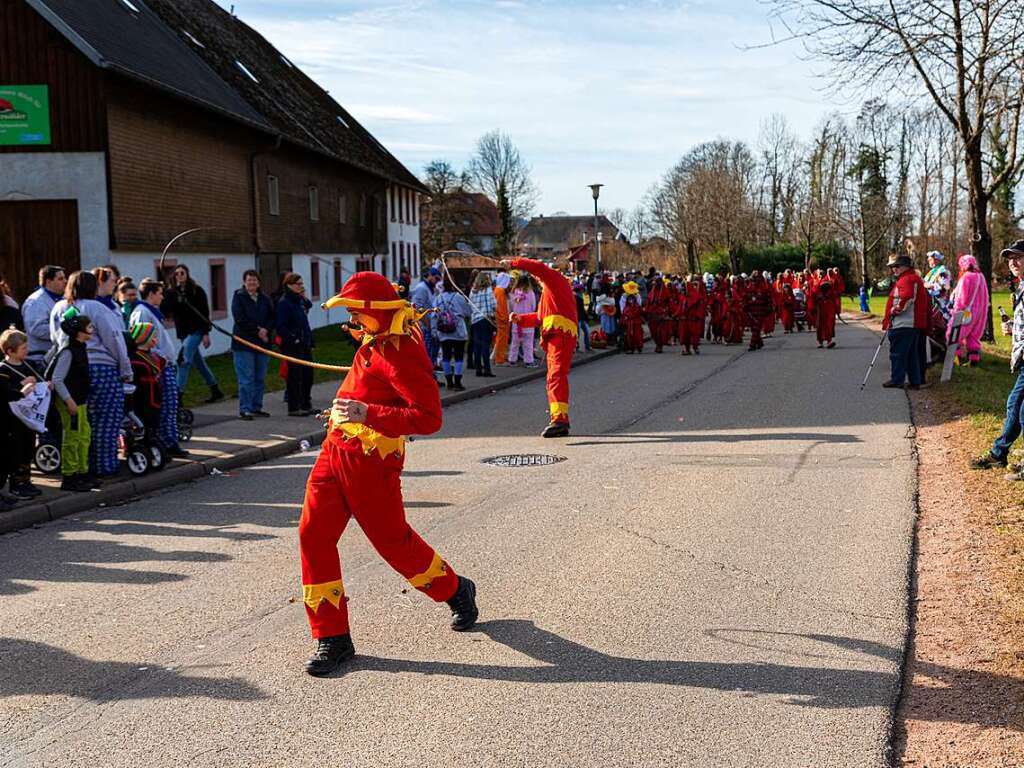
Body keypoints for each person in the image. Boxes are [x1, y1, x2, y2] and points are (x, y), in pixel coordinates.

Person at [300, 272, 478, 676]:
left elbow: (429, 417)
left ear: (375, 312)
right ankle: (332, 637)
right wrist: (345, 408)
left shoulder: (403, 349)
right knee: (313, 535)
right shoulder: (377, 336)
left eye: (356, 313)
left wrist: (368, 413)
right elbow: (368, 387)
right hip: (335, 451)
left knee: (394, 544)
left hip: (372, 463)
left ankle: (455, 589)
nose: (353, 321)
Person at [50, 271, 132, 479]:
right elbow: (114, 339)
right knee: (107, 420)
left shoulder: (61, 308)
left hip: (73, 369)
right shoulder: (97, 308)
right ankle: (106, 466)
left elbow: (57, 340)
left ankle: (84, 466)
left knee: (84, 423)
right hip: (102, 368)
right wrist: (125, 369)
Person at [504, 255, 578, 438]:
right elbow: (540, 318)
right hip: (557, 335)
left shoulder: (555, 280)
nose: (537, 279)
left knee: (556, 376)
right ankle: (558, 417)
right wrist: (520, 319)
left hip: (560, 335)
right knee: (554, 377)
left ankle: (560, 420)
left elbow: (539, 268)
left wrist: (514, 262)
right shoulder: (551, 292)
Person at [971, 241, 1024, 475]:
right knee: (1017, 407)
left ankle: (998, 454)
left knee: (1018, 408)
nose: (1012, 262)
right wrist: (1013, 327)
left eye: (1018, 257)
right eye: (1009, 258)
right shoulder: (1021, 287)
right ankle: (998, 454)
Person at [131, 280, 186, 458]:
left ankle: (170, 440)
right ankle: (165, 442)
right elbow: (140, 339)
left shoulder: (152, 312)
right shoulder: (141, 312)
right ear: (151, 293)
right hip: (157, 366)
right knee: (165, 407)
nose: (162, 297)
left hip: (164, 364)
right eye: (160, 293)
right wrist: (157, 360)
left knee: (171, 405)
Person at [162, 265, 223, 403]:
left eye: (182, 273)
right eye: (176, 273)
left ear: (187, 274)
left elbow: (204, 312)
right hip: (183, 331)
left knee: (183, 360)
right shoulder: (173, 293)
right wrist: (166, 292)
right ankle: (215, 389)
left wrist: (206, 333)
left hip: (197, 330)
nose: (179, 275)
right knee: (198, 362)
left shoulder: (197, 291)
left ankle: (178, 396)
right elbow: (166, 310)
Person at [48, 310, 94, 492]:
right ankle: (69, 476)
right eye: (89, 327)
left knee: (84, 436)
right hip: (71, 402)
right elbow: (58, 379)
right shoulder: (68, 351)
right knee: (72, 438)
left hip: (80, 400)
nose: (92, 329)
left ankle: (82, 473)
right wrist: (68, 401)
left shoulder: (80, 348)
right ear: (79, 332)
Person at [0, 329, 44, 500]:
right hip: (12, 419)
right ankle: (16, 483)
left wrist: (44, 385)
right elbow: (6, 392)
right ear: (10, 351)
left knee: (28, 446)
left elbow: (38, 380)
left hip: (29, 417)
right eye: (23, 348)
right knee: (15, 449)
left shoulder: (27, 365)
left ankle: (26, 480)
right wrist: (22, 386)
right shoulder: (4, 369)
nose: (27, 351)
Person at [881, 253, 930, 389]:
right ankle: (915, 381)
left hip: (904, 323)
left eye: (896, 266)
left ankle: (897, 380)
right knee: (910, 354)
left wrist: (894, 310)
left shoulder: (907, 279)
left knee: (898, 354)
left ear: (905, 266)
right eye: (892, 267)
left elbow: (907, 297)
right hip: (910, 324)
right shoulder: (910, 278)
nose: (893, 269)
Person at [231, 270, 275, 420]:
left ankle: (257, 407)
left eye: (254, 280)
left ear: (259, 282)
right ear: (244, 282)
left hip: (262, 344)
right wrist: (258, 331)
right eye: (249, 280)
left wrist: (266, 330)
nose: (252, 283)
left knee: (259, 378)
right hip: (244, 344)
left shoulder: (264, 298)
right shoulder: (239, 297)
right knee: (246, 378)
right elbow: (240, 319)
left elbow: (272, 317)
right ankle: (245, 408)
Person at [275, 272, 315, 416]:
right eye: (298, 284)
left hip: (304, 342)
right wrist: (294, 338)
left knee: (307, 375)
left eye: (301, 284)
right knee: (295, 376)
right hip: (292, 344)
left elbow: (307, 308)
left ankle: (306, 403)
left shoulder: (299, 300)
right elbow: (280, 326)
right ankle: (294, 407)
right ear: (289, 285)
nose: (301, 287)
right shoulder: (284, 303)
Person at [947, 254, 989, 366]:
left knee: (953, 334)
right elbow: (985, 297)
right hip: (980, 313)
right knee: (973, 337)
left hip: (966, 313)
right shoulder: (981, 276)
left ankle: (957, 358)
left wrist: (956, 311)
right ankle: (973, 360)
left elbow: (962, 298)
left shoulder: (967, 277)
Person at [433, 276, 473, 390]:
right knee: (459, 357)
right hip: (458, 331)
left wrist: (434, 330)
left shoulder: (438, 298)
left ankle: (449, 381)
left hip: (443, 332)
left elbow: (433, 316)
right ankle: (458, 381)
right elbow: (468, 312)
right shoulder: (458, 297)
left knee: (446, 356)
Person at [21, 265, 66, 364]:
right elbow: (36, 329)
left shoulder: (62, 299)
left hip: (57, 355)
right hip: (40, 358)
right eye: (60, 279)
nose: (65, 281)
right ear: (48, 282)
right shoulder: (36, 302)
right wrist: (63, 330)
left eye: (64, 278)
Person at [409, 267, 442, 379]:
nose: (437, 281)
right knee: (428, 353)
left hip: (432, 326)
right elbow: (417, 308)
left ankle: (432, 377)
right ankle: (428, 378)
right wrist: (428, 325)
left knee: (432, 353)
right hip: (425, 327)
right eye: (436, 278)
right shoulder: (422, 289)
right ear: (430, 276)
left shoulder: (431, 289)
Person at [468, 272, 497, 377]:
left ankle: (478, 368)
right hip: (486, 319)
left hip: (475, 320)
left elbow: (470, 306)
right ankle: (487, 369)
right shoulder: (488, 291)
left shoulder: (473, 291)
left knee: (477, 345)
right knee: (485, 345)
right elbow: (494, 305)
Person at [507, 274, 538, 367]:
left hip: (517, 320)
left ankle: (512, 360)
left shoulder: (513, 292)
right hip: (528, 320)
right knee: (528, 343)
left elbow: (511, 306)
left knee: (515, 342)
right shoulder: (530, 293)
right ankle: (528, 361)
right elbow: (533, 306)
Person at [493, 272, 511, 365]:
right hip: (502, 321)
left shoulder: (498, 290)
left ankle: (499, 358)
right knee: (501, 340)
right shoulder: (500, 291)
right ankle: (500, 360)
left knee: (500, 340)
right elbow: (500, 308)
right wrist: (505, 319)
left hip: (501, 320)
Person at [814, 280, 839, 349]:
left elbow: (834, 303)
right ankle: (820, 342)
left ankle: (829, 341)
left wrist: (836, 311)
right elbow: (815, 302)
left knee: (828, 326)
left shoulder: (831, 294)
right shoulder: (819, 294)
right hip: (821, 315)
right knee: (820, 327)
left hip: (829, 314)